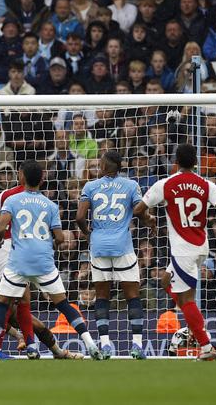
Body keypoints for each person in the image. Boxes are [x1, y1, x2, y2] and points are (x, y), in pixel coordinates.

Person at [134, 143, 216, 361]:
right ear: (196, 162)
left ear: (175, 162)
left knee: (186, 300)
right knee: (165, 280)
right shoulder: (207, 185)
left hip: (183, 251)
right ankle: (194, 325)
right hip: (201, 248)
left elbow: (138, 210)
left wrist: (149, 220)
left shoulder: (165, 184)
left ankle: (205, 346)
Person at [0, 160, 101, 360]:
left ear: (21, 177)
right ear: (42, 180)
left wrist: (0, 240)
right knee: (63, 304)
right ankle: (90, 343)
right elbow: (61, 238)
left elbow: (0, 228)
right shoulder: (51, 205)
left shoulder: (12, 200)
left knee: (2, 305)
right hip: (44, 262)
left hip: (19, 261)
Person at [75, 151, 154, 359]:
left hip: (99, 246)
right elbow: (138, 210)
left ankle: (105, 345)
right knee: (133, 296)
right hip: (123, 247)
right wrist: (149, 220)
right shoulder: (131, 185)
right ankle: (137, 345)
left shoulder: (90, 187)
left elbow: (80, 217)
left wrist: (88, 234)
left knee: (102, 296)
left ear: (103, 166)